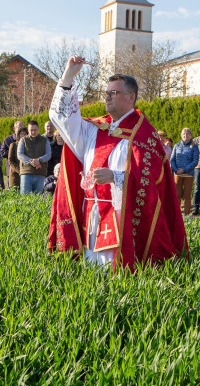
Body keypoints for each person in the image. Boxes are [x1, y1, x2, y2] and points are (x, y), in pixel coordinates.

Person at [48, 55, 188, 270]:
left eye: (114, 93)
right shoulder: (95, 128)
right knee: (90, 269)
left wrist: (115, 177)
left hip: (122, 213)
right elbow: (63, 119)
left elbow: (150, 180)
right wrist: (69, 75)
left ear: (131, 97)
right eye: (106, 93)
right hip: (92, 210)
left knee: (116, 273)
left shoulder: (143, 134)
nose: (107, 97)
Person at [170, 127, 199, 215]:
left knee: (187, 196)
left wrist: (183, 170)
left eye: (187, 134)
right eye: (184, 134)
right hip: (177, 175)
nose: (185, 135)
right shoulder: (176, 146)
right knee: (177, 195)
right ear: (181, 135)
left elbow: (195, 161)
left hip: (188, 175)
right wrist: (176, 170)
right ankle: (177, 214)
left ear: (190, 135)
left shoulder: (194, 147)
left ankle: (186, 215)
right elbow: (172, 159)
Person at [17, 120, 51, 195]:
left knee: (38, 199)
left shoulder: (45, 140)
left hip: (40, 173)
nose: (33, 132)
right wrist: (32, 162)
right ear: (28, 130)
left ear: (38, 129)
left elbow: (48, 154)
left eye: (34, 130)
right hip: (26, 173)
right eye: (31, 130)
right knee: (25, 198)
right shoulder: (23, 140)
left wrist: (39, 160)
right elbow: (20, 154)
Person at [1, 120, 25, 187]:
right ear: (14, 128)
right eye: (19, 127)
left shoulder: (27, 139)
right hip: (12, 169)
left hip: (24, 169)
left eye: (23, 127)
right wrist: (13, 152)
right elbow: (2, 152)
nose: (21, 129)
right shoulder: (8, 140)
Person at [7, 126, 28, 191]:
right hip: (15, 175)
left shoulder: (29, 146)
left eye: (25, 133)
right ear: (18, 135)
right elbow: (10, 160)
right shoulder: (13, 145)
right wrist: (19, 170)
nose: (23, 135)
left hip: (26, 174)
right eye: (22, 133)